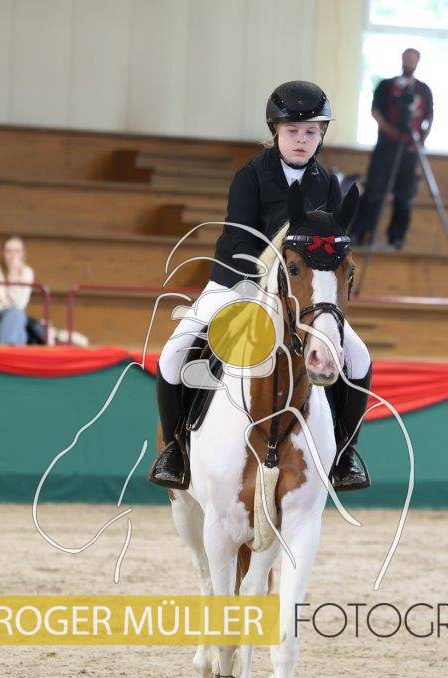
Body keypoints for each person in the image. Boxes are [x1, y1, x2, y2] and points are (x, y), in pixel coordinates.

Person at [150, 80, 372, 492]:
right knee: (173, 352)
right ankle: (175, 449)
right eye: (293, 131)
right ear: (276, 131)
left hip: (301, 297)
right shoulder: (251, 175)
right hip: (238, 283)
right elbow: (238, 239)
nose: (302, 140)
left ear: (321, 134)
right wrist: (264, 282)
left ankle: (345, 453)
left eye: (311, 132)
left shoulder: (326, 182)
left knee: (359, 358)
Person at [350, 48, 432, 251]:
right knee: (374, 191)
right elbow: (375, 111)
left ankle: (396, 238)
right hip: (385, 148)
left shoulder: (423, 90)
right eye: (407, 59)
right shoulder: (386, 85)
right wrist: (389, 130)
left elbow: (430, 116)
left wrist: (421, 139)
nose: (409, 63)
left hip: (410, 150)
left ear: (418, 62)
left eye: (413, 60)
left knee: (404, 196)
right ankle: (360, 233)